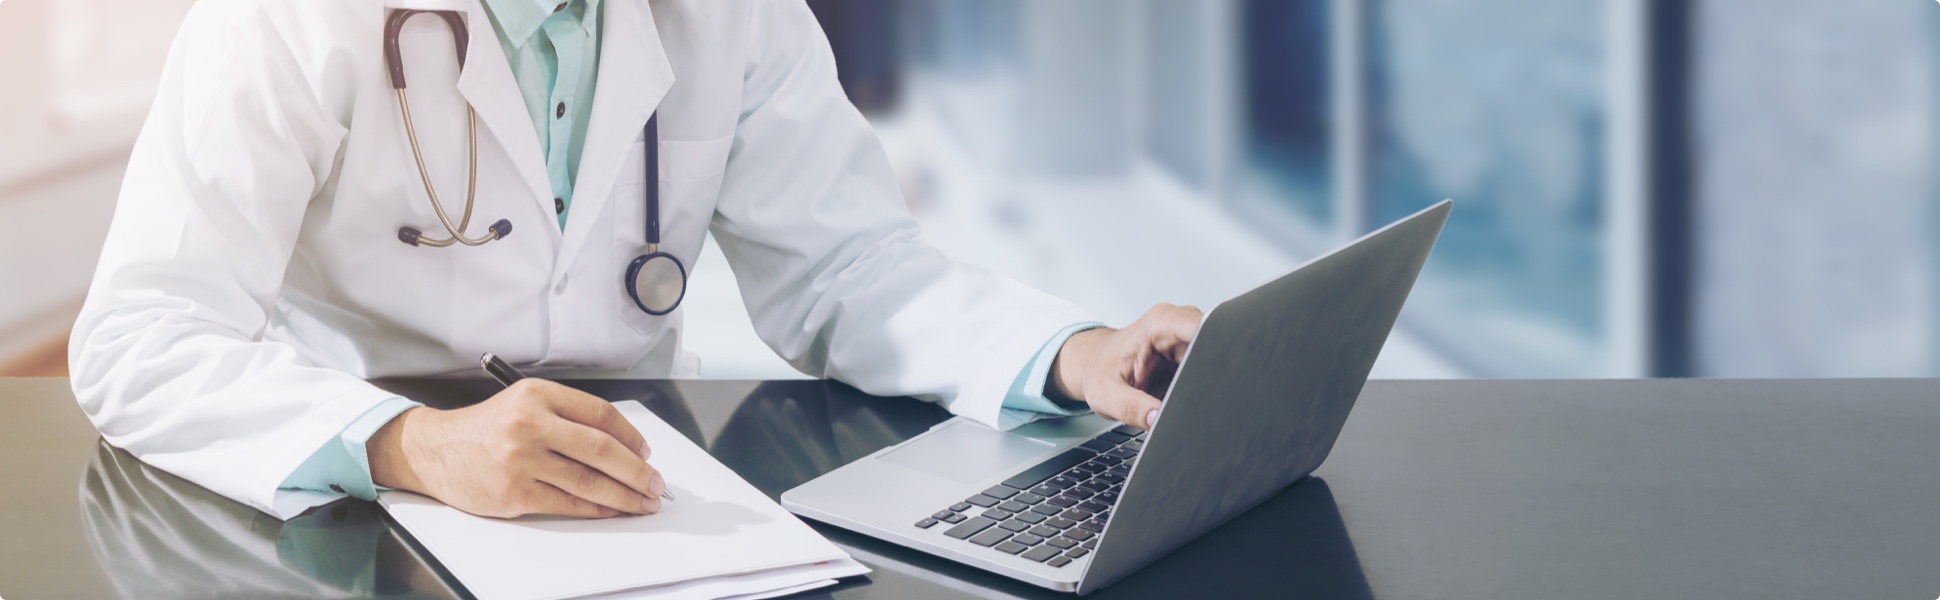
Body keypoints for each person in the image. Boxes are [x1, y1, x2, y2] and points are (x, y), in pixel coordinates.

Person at [69, 0, 1200, 523]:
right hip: (355, 505)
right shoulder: (282, 19)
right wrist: (410, 443)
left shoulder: (733, 15)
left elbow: (848, 265)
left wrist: (1072, 352)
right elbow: (140, 335)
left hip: (641, 493)